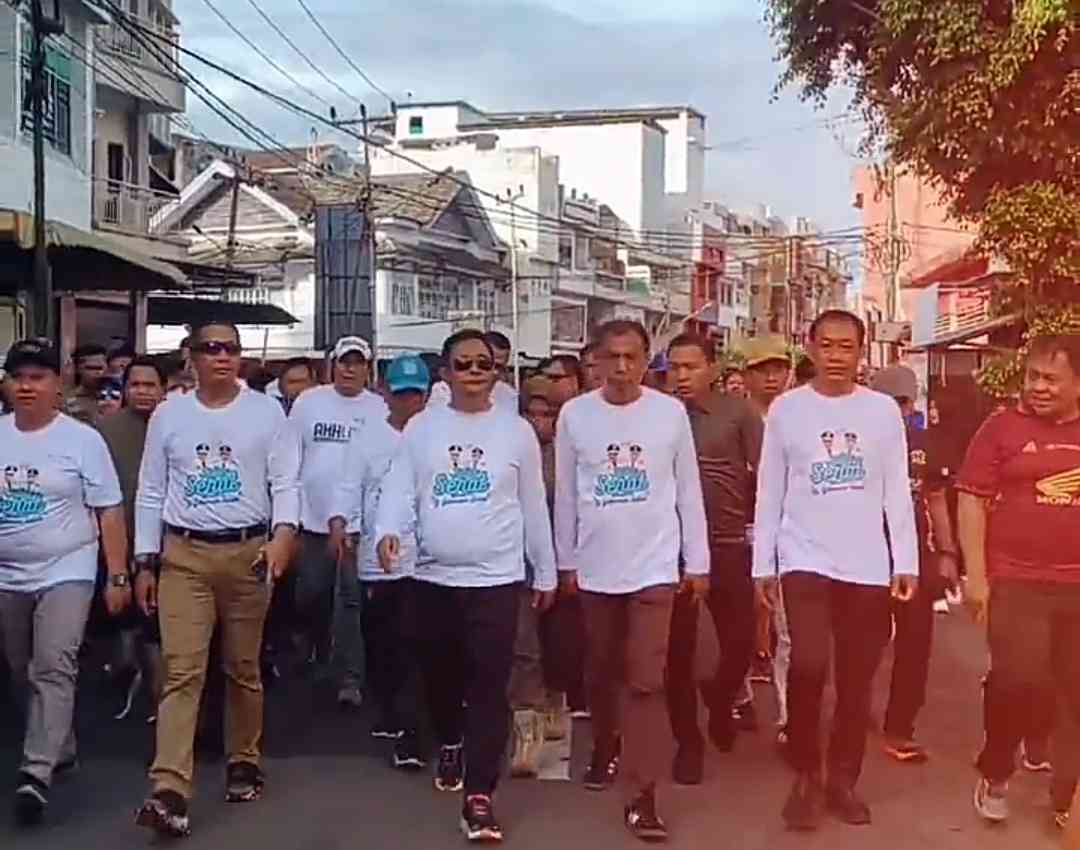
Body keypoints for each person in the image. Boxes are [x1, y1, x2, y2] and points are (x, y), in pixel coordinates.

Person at [375, 329, 556, 842]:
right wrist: (388, 531)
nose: (475, 371)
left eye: (484, 363)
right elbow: (400, 488)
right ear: (446, 373)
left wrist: (544, 569)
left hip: (496, 578)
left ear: (496, 372)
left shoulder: (516, 431)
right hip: (433, 576)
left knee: (488, 686)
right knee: (441, 677)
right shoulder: (422, 428)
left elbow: (532, 506)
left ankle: (479, 794)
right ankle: (450, 738)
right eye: (464, 363)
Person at [132, 320, 300, 838]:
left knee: (242, 666)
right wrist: (144, 560)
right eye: (211, 348)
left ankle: (243, 758)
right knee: (182, 671)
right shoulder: (170, 414)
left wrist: (284, 535)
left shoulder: (266, 413)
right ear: (192, 358)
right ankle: (169, 788)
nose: (222, 356)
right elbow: (151, 490)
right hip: (184, 555)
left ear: (240, 356)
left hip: (249, 553)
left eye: (230, 348)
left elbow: (285, 481)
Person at [753, 310, 918, 831]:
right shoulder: (787, 410)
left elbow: (897, 489)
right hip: (803, 558)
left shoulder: (881, 412)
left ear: (861, 352)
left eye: (847, 347)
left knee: (855, 679)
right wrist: (763, 564)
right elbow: (770, 491)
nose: (836, 356)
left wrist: (905, 560)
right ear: (810, 347)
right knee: (807, 665)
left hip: (866, 564)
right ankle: (806, 773)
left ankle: (842, 780)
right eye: (827, 345)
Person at [555, 320, 709, 841]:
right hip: (596, 566)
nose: (622, 368)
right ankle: (606, 743)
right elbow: (567, 496)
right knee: (601, 668)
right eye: (612, 358)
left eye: (632, 358)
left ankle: (643, 795)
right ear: (596, 361)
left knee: (646, 679)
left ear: (647, 362)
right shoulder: (576, 415)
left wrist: (698, 562)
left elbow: (688, 491)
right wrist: (565, 562)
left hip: (655, 567)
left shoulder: (669, 414)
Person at [0, 339, 129, 826]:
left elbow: (109, 510)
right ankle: (60, 743)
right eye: (18, 377)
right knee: (20, 668)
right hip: (8, 573)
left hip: (67, 568)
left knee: (53, 663)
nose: (26, 387)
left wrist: (117, 574)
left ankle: (35, 772)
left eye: (37, 377)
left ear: (57, 383)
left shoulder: (81, 440)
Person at [958, 335, 1080, 827]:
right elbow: (971, 497)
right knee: (1019, 679)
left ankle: (1066, 799)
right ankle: (996, 770)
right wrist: (975, 576)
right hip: (1016, 579)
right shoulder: (1001, 428)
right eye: (1033, 376)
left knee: (1074, 691)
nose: (1038, 387)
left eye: (1051, 379)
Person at [664, 333, 763, 786]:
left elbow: (766, 474)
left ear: (714, 368)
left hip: (728, 543)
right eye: (675, 367)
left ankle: (722, 700)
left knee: (739, 643)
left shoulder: (739, 413)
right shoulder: (660, 415)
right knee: (678, 655)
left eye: (692, 366)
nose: (682, 376)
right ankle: (688, 743)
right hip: (674, 549)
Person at [331, 354, 430, 769]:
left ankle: (413, 728)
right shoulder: (368, 437)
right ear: (385, 393)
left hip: (425, 559)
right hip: (377, 557)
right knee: (381, 640)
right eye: (401, 393)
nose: (408, 402)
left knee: (414, 643)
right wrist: (342, 526)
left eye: (416, 394)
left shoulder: (435, 434)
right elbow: (348, 486)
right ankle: (390, 709)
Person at [287, 335, 385, 707]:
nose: (350, 369)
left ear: (368, 369)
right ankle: (314, 648)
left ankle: (350, 678)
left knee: (350, 601)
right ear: (333, 365)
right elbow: (290, 456)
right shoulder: (309, 402)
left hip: (358, 525)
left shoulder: (378, 407)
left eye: (358, 362)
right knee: (310, 594)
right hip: (311, 521)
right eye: (345, 361)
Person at [869, 366, 957, 763]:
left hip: (916, 559)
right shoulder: (856, 443)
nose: (896, 410)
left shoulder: (924, 445)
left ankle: (900, 728)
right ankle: (854, 709)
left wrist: (948, 555)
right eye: (889, 402)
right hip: (864, 557)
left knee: (915, 646)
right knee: (863, 644)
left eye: (902, 402)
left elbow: (936, 500)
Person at [98, 357, 168, 722]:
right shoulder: (103, 431)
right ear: (124, 389)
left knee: (156, 626)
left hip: (168, 541)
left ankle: (160, 700)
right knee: (126, 622)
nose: (142, 392)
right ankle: (126, 671)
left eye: (150, 385)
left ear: (163, 389)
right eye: (135, 385)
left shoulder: (175, 424)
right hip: (116, 539)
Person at [738, 335, 793, 738]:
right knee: (738, 623)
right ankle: (739, 695)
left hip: (788, 534)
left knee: (789, 632)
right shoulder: (733, 417)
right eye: (762, 370)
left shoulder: (798, 416)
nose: (771, 377)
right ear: (746, 375)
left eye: (778, 369)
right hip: (737, 530)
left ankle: (790, 714)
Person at [428, 330, 519, 413]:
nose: (495, 372)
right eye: (485, 364)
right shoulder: (442, 392)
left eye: (499, 367)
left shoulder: (509, 395)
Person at [65, 343, 108, 425]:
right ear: (78, 369)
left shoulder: (116, 398)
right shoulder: (67, 401)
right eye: (92, 368)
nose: (98, 373)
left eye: (101, 368)